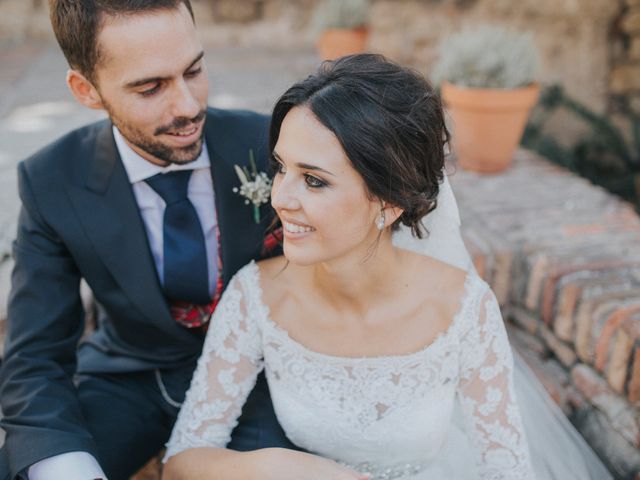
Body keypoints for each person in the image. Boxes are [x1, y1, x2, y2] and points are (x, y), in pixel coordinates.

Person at [162, 54, 538, 479]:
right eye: (281, 168)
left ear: (390, 201)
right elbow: (182, 461)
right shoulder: (256, 297)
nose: (281, 198)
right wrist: (280, 467)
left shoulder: (464, 309)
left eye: (314, 180)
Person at [0, 1, 296, 479]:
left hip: (258, 381)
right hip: (126, 376)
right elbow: (34, 356)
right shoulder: (51, 180)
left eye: (194, 70)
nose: (189, 105)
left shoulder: (269, 144)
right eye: (150, 87)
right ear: (86, 90)